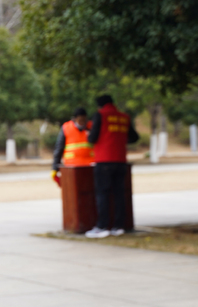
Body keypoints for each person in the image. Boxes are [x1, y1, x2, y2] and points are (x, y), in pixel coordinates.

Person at [85, 94, 139, 238]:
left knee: (103, 193)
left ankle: (102, 227)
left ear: (100, 105)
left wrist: (88, 135)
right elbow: (134, 137)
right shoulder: (124, 117)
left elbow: (92, 138)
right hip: (121, 160)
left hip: (104, 160)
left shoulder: (100, 115)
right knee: (119, 194)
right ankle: (118, 226)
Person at [50, 106, 92, 185]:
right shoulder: (66, 128)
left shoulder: (92, 127)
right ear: (75, 119)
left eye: (84, 120)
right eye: (80, 120)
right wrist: (54, 168)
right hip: (72, 168)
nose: (82, 122)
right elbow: (59, 148)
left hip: (90, 167)